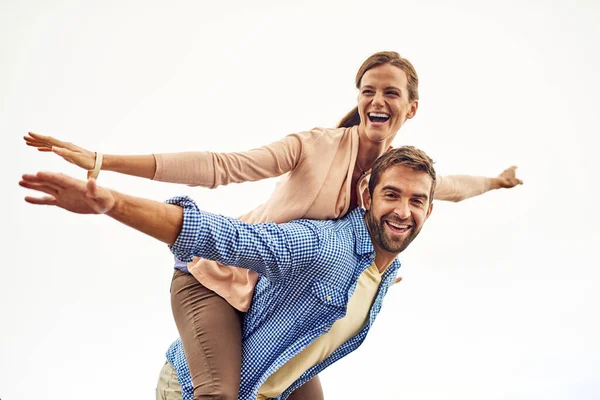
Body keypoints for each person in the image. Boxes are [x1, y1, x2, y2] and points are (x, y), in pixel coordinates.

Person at [23, 51, 522, 399]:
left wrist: (497, 182)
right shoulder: (315, 145)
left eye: (391, 93)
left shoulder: (394, 176)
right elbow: (219, 166)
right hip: (214, 275)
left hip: (269, 298)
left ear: (410, 108)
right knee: (219, 392)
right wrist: (105, 161)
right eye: (368, 90)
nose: (377, 100)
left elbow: (451, 186)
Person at [22, 146, 437, 400]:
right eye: (391, 195)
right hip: (191, 389)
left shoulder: (383, 277)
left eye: (417, 201)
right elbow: (228, 238)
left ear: (429, 210)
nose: (403, 211)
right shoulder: (324, 245)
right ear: (367, 196)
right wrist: (112, 203)